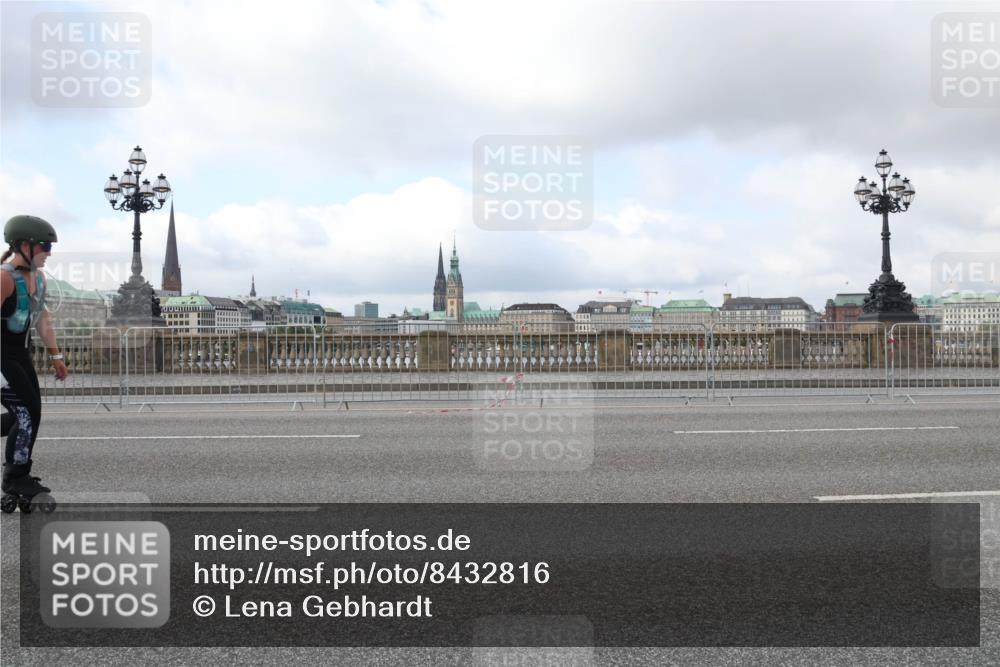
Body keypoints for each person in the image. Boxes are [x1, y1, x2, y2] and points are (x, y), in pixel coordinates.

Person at [1, 214, 68, 501]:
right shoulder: (4, 278)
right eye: (44, 246)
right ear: (23, 246)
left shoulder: (38, 279)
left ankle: (18, 473)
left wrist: (56, 356)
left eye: (50, 247)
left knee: (32, 413)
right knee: (26, 414)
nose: (48, 254)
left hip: (20, 355)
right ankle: (16, 477)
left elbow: (43, 321)